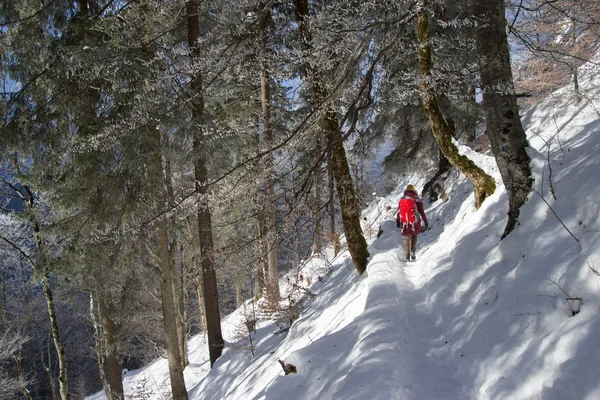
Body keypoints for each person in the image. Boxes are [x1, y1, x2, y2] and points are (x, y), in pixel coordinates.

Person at [396, 184, 429, 262]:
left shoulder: (402, 200)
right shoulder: (417, 200)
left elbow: (398, 212)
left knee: (406, 239)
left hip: (404, 222)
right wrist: (426, 222)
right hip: (415, 222)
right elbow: (422, 212)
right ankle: (413, 252)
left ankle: (407, 256)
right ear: (414, 191)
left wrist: (398, 222)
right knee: (414, 236)